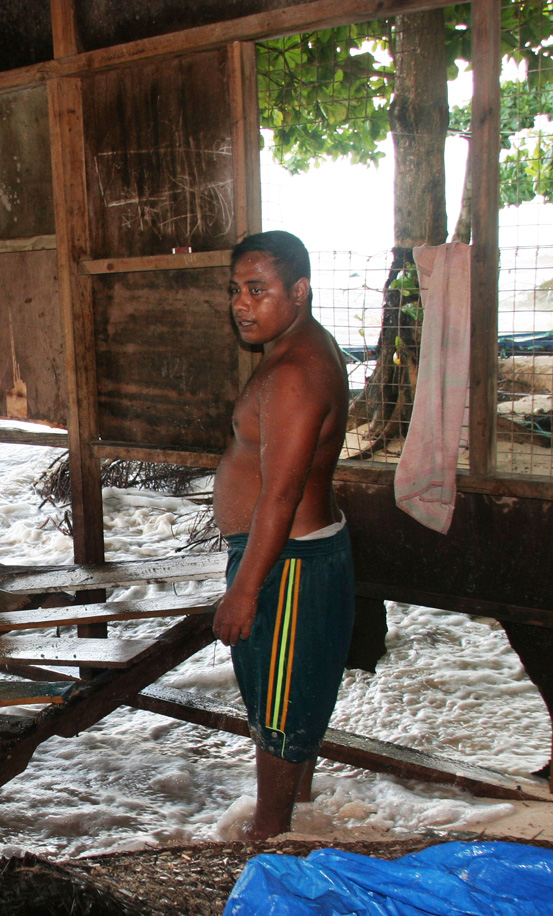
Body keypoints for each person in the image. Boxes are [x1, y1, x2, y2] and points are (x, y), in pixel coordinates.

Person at [212, 230, 354, 841]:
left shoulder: (297, 372)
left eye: (258, 290)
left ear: (299, 292)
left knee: (278, 708)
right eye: (236, 290)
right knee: (293, 698)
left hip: (286, 563)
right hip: (290, 555)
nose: (242, 304)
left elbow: (280, 494)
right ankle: (294, 818)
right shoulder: (293, 351)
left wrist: (244, 591)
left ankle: (267, 838)